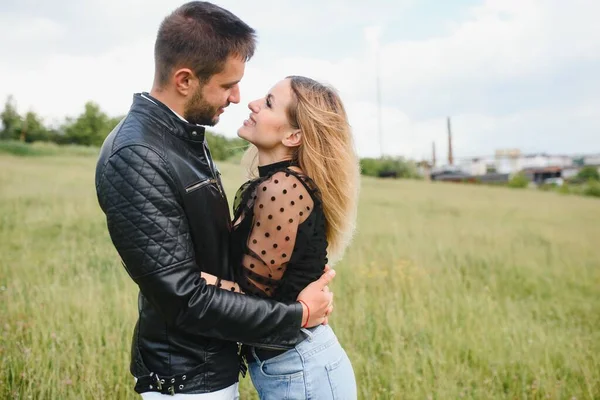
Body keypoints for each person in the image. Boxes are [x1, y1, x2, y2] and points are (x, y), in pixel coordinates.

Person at [94, 3, 335, 399]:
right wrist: (300, 314)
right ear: (185, 80)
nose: (239, 97)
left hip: (211, 363)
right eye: (227, 86)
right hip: (186, 379)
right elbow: (184, 299)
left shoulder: (183, 136)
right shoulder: (138, 155)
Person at [201, 76, 360, 399]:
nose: (252, 103)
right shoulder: (278, 184)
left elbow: (255, 300)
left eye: (269, 102)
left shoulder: (283, 189)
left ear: (294, 135)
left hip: (303, 369)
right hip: (296, 364)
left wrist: (186, 280)